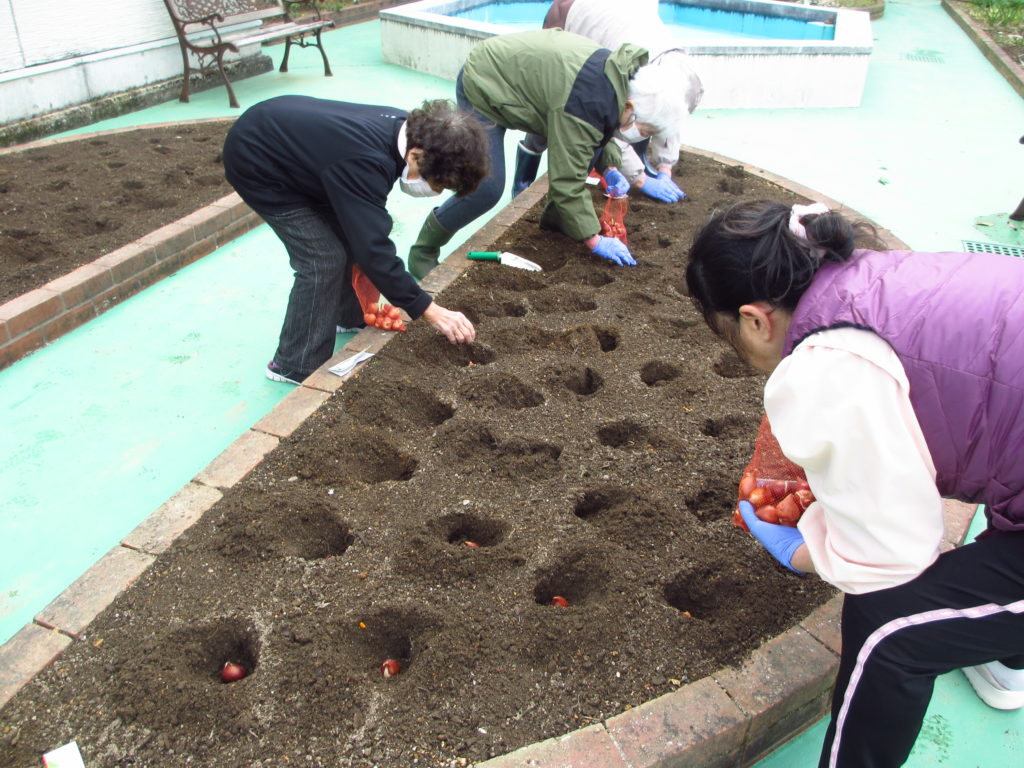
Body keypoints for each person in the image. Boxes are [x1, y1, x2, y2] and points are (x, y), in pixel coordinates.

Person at [685, 199, 1024, 768]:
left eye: (728, 336)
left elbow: (893, 553)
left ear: (754, 319)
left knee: (887, 626)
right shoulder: (874, 277)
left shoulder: (830, 365)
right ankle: (1006, 659)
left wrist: (804, 551)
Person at [223, 96, 489, 384]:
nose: (435, 192)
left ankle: (347, 317)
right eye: (436, 183)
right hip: (258, 161)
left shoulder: (413, 132)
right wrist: (429, 309)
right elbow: (373, 250)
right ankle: (293, 365)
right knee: (322, 258)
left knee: (351, 236)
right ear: (415, 155)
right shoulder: (366, 160)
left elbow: (366, 227)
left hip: (303, 158)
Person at [407, 27, 696, 278]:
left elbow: (597, 133)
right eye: (644, 129)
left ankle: (558, 220)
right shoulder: (588, 100)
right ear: (630, 108)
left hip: (525, 85)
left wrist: (610, 167)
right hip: (486, 84)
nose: (640, 135)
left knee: (586, 154)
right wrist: (594, 240)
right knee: (487, 188)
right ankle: (424, 250)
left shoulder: (620, 79)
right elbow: (566, 180)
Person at [512, 0, 703, 202]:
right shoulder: (630, 72)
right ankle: (523, 179)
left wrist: (665, 167)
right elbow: (606, 123)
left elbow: (669, 118)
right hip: (570, 15)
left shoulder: (686, 84)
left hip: (615, 21)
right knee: (550, 104)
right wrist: (639, 179)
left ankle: (631, 161)